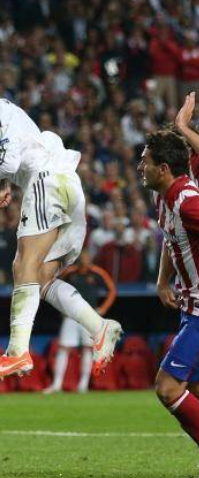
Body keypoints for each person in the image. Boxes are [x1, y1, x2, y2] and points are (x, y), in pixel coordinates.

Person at [0, 68, 122, 382]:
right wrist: (4, 184)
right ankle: (100, 327)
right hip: (64, 184)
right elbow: (12, 154)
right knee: (41, 278)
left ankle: (17, 352)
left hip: (48, 178)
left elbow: (8, 162)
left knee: (23, 265)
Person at [138, 126, 199, 451]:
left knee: (168, 387)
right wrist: (163, 280)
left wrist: (184, 126)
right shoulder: (163, 198)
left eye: (145, 161)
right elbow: (170, 237)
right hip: (189, 309)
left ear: (163, 168)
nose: (140, 167)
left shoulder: (189, 202)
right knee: (195, 391)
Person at [44, 250, 116, 394]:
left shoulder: (97, 273)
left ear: (90, 258)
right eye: (82, 258)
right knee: (64, 347)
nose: (84, 260)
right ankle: (57, 384)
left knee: (87, 349)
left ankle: (83, 385)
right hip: (71, 315)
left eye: (87, 257)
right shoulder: (69, 272)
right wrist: (60, 307)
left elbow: (112, 291)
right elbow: (55, 288)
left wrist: (103, 309)